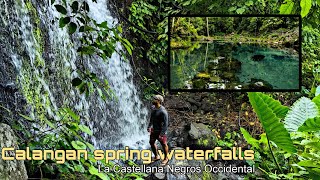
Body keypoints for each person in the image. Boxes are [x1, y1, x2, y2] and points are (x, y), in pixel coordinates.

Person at [147, 95, 169, 166]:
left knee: (164, 144)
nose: (152, 100)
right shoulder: (154, 108)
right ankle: (156, 156)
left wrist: (162, 134)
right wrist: (149, 126)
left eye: (154, 99)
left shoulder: (163, 111)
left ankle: (166, 158)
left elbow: (166, 124)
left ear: (159, 101)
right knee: (151, 142)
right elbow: (152, 118)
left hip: (161, 130)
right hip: (154, 130)